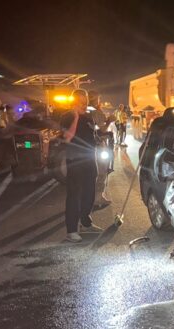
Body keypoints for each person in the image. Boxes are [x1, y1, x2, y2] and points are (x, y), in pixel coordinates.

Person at [62, 90, 103, 243]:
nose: (84, 104)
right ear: (73, 102)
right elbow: (67, 137)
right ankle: (71, 230)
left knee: (89, 191)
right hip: (75, 159)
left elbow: (92, 134)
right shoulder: (67, 116)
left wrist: (100, 139)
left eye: (85, 101)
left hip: (89, 158)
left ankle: (86, 222)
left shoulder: (89, 117)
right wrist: (76, 117)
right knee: (74, 194)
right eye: (80, 101)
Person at [88, 91, 112, 208]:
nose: (99, 101)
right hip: (98, 145)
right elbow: (102, 129)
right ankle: (98, 198)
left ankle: (89, 197)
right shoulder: (96, 112)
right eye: (98, 98)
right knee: (101, 172)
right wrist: (110, 121)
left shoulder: (84, 111)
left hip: (87, 147)